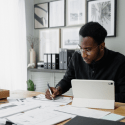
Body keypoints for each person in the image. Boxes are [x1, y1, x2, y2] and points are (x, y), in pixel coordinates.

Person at [45, 22, 125, 103]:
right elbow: (67, 80)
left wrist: (91, 97)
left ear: (101, 46)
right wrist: (58, 89)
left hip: (111, 110)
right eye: (81, 48)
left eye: (88, 50)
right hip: (82, 108)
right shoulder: (76, 57)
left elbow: (123, 95)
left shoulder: (120, 62)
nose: (83, 55)